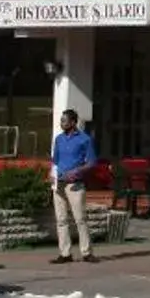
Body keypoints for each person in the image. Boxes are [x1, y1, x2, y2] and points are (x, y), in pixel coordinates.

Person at [50, 108, 98, 264]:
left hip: (75, 185)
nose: (61, 123)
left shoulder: (85, 139)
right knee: (61, 219)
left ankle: (87, 252)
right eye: (61, 120)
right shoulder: (59, 139)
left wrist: (77, 171)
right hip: (59, 184)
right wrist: (51, 172)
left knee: (80, 219)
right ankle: (65, 253)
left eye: (64, 121)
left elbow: (91, 162)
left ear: (73, 122)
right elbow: (55, 160)